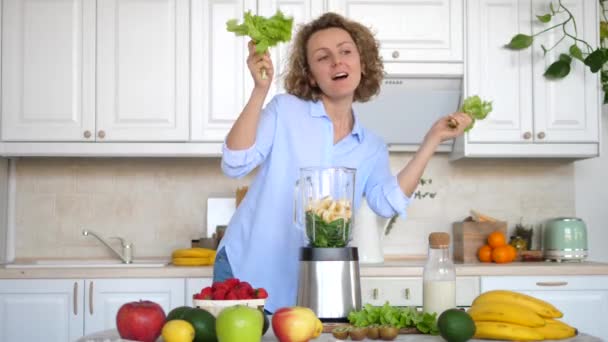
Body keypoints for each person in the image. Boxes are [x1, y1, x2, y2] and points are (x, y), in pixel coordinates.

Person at [213, 12, 472, 312]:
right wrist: (260, 91)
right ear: (310, 74)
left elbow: (387, 204)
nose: (337, 62)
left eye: (346, 51)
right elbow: (234, 163)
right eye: (323, 57)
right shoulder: (284, 111)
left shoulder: (370, 147)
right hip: (246, 270)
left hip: (311, 283)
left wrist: (433, 139)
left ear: (362, 62)